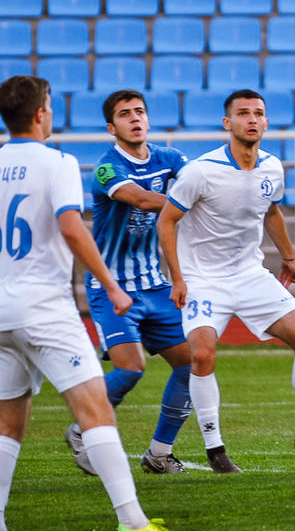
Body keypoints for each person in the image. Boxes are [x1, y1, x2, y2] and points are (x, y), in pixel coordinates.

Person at [0, 75, 167, 531]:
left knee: (7, 424)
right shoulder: (57, 162)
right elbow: (72, 228)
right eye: (49, 106)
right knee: (95, 410)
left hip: (1, 311)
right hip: (44, 309)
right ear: (39, 115)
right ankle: (133, 521)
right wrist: (111, 286)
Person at [156, 89, 295, 474]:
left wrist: (289, 257)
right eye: (243, 114)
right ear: (228, 124)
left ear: (266, 121)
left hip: (249, 274)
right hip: (203, 280)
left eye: (258, 113)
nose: (252, 119)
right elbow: (166, 220)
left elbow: (271, 210)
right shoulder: (200, 171)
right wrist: (178, 278)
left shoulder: (273, 167)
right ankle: (216, 451)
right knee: (203, 355)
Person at [64, 90, 192, 477]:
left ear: (149, 120)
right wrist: (191, 199)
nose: (134, 118)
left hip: (154, 284)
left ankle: (158, 453)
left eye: (139, 112)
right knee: (132, 367)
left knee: (193, 365)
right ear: (112, 127)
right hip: (112, 287)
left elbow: (202, 180)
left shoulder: (169, 158)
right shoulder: (106, 168)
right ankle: (82, 429)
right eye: (125, 114)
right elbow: (140, 199)